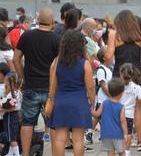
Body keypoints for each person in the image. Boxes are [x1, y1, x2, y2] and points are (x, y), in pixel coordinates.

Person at [13, 8, 60, 156]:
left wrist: (22, 78)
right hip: (50, 88)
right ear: (52, 22)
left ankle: (25, 154)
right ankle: (54, 153)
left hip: (30, 86)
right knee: (53, 124)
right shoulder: (55, 39)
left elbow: (16, 59)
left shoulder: (27, 36)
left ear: (38, 20)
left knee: (27, 122)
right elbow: (59, 64)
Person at [47, 30, 94, 156]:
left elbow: (52, 86)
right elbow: (90, 87)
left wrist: (51, 100)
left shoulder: (56, 62)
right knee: (78, 139)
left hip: (61, 101)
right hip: (79, 102)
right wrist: (92, 102)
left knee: (60, 138)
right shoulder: (85, 64)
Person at [105, 10, 141, 152]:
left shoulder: (115, 35)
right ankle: (140, 141)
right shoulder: (139, 38)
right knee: (137, 109)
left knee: (116, 107)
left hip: (119, 75)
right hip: (136, 75)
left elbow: (109, 56)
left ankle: (119, 138)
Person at [92, 78, 128, 156]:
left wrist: (91, 111)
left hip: (105, 134)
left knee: (110, 152)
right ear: (121, 93)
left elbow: (97, 115)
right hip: (117, 134)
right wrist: (125, 134)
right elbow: (123, 121)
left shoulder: (104, 103)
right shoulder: (121, 106)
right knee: (122, 152)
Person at [85, 47, 113, 145]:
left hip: (107, 98)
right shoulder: (101, 70)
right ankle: (89, 133)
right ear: (104, 58)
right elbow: (102, 84)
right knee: (98, 117)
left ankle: (101, 134)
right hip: (102, 99)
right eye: (109, 53)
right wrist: (110, 95)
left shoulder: (108, 69)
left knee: (103, 117)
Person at [0, 72, 22, 156]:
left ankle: (17, 154)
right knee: (11, 136)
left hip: (10, 117)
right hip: (12, 117)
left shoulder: (12, 94)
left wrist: (2, 108)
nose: (5, 85)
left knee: (12, 138)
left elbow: (11, 107)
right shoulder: (17, 93)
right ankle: (10, 153)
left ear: (11, 83)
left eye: (6, 83)